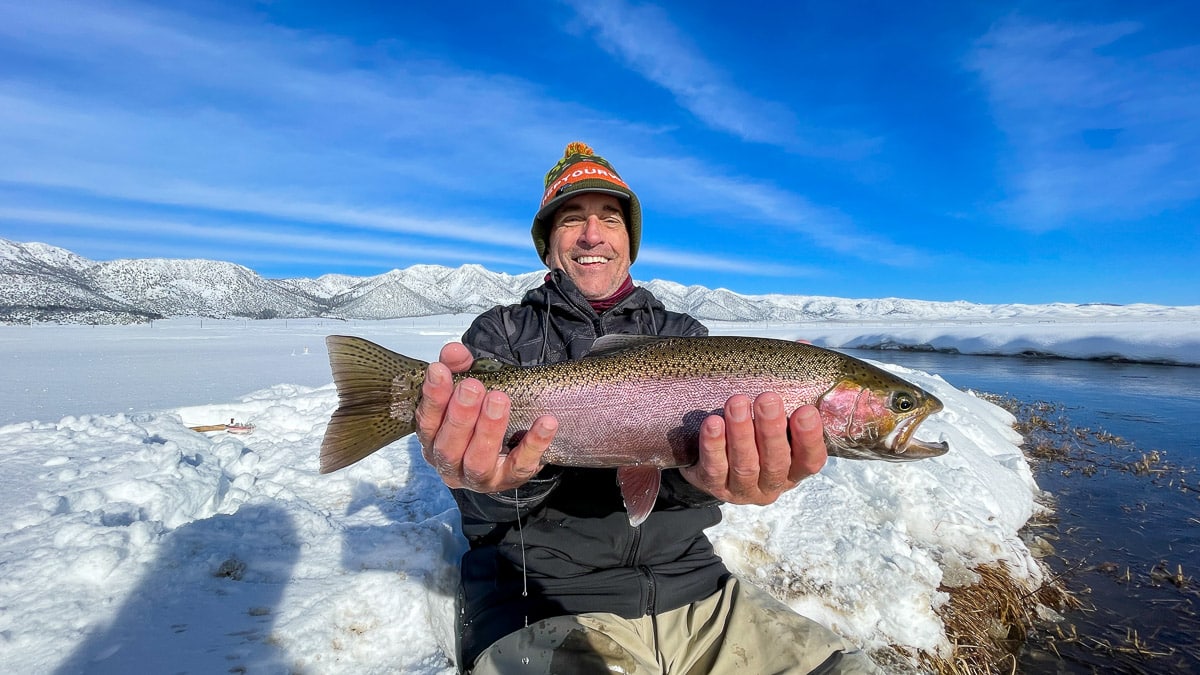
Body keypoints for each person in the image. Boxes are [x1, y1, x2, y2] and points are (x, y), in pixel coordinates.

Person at [415, 142, 880, 674]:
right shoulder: (500, 334)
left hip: (701, 596)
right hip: (543, 601)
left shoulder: (684, 336)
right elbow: (484, 512)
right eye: (571, 220)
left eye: (610, 219)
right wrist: (491, 481)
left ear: (630, 243)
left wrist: (712, 478)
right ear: (547, 247)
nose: (593, 235)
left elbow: (683, 486)